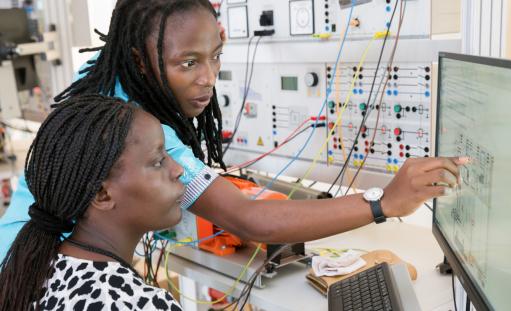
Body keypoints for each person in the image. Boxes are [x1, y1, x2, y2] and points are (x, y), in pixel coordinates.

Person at [0, 0, 466, 261]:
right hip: (31, 274)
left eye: (215, 55)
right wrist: (384, 202)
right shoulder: (132, 127)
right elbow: (249, 220)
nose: (209, 77)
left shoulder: (104, 74)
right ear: (140, 60)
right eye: (188, 62)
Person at [0, 95, 185, 310]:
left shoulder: (33, 274)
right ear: (102, 194)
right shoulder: (136, 304)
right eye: (158, 162)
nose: (178, 170)